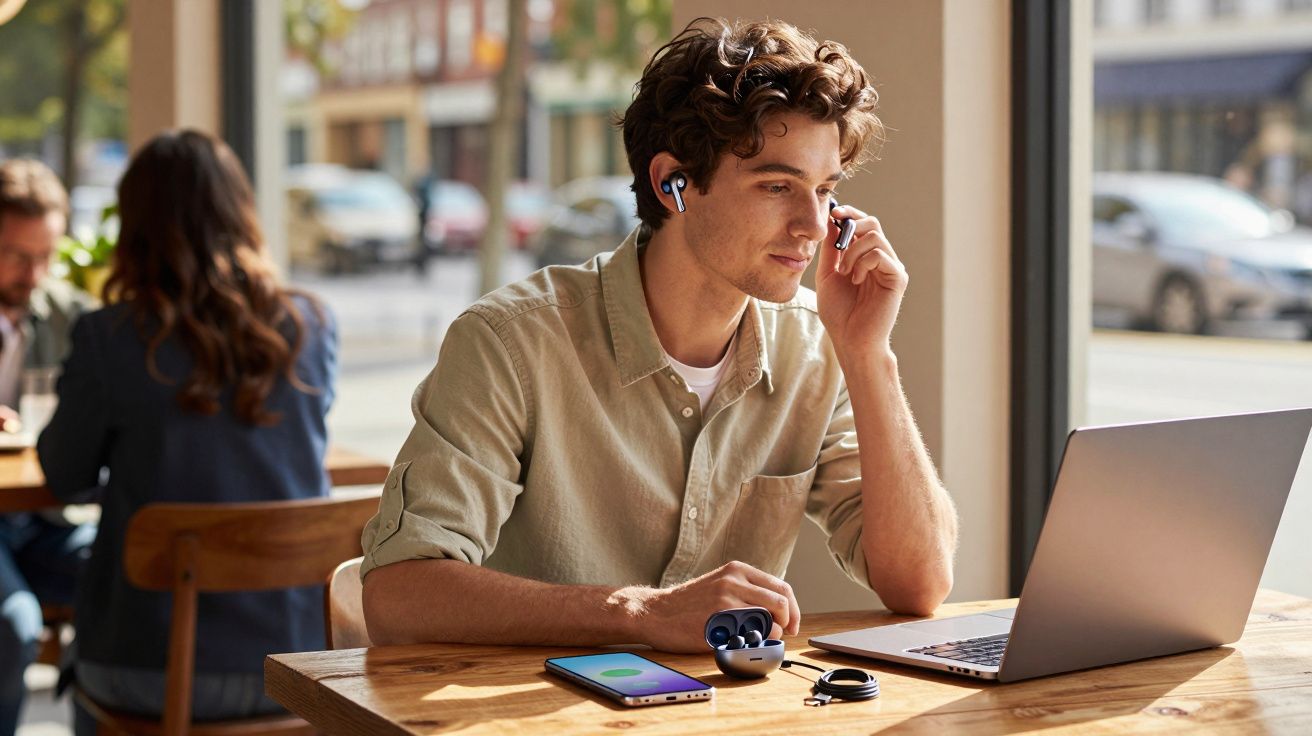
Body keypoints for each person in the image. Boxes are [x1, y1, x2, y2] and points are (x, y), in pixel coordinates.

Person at [360, 17, 959, 652]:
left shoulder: (818, 349)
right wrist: (638, 613)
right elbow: (400, 593)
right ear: (673, 183)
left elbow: (919, 584)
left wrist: (870, 356)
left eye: (825, 190)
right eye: (778, 186)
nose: (813, 225)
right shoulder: (510, 344)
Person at [36, 130, 338, 733]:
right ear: (240, 212)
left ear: (136, 225)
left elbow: (64, 476)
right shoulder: (309, 325)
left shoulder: (110, 336)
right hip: (297, 666)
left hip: (148, 667)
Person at [0, 158, 95, 736]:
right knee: (13, 630)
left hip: (48, 517)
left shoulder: (74, 319)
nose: (33, 273)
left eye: (46, 255)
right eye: (15, 254)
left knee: (135, 582)